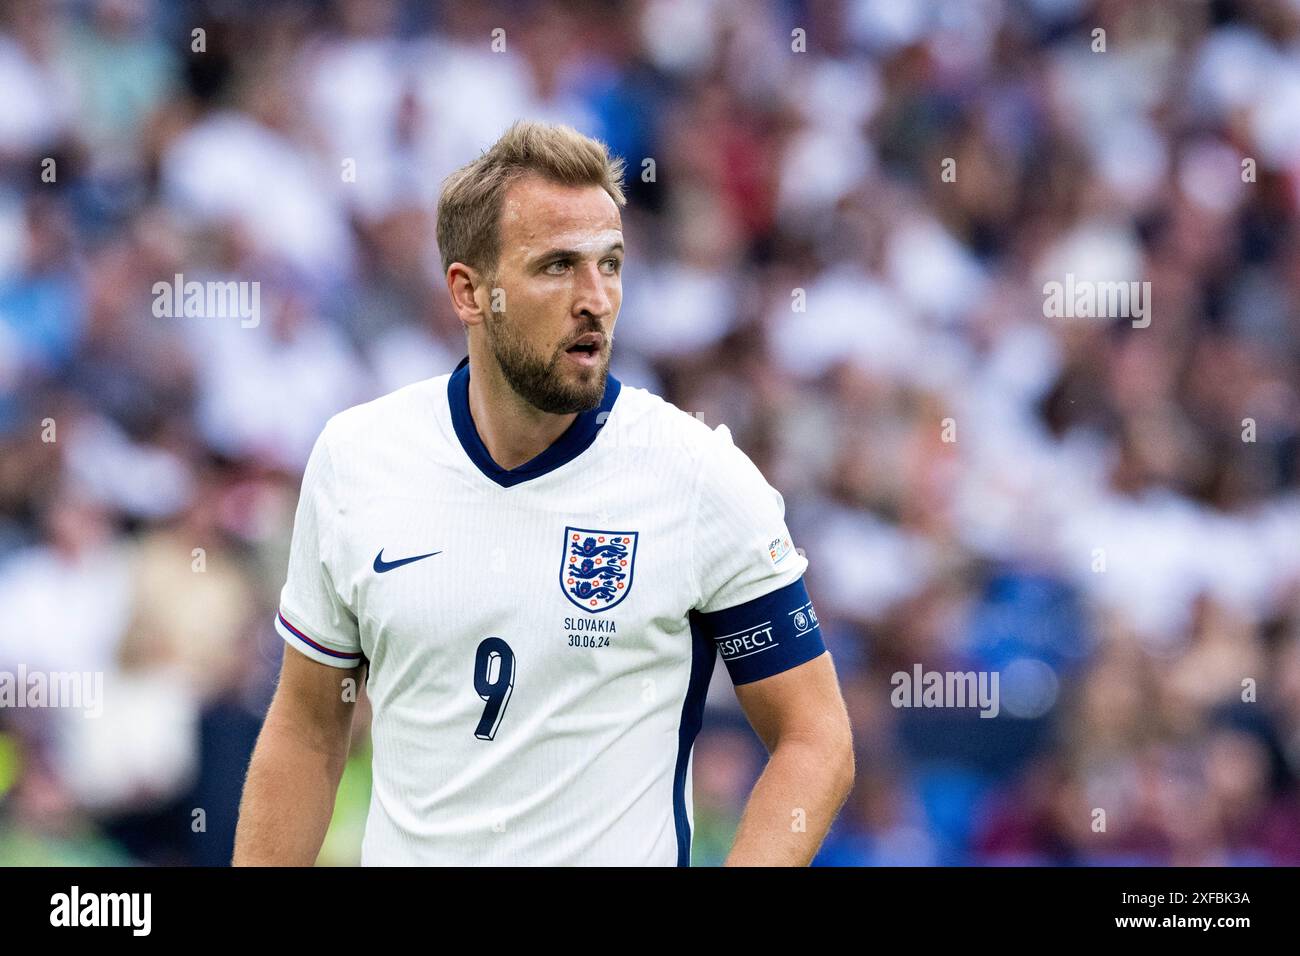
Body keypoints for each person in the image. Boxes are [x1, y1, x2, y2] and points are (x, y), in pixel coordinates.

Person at [233, 120, 854, 866]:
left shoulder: (698, 478)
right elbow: (307, 729)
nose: (596, 298)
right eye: (557, 267)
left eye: (611, 264)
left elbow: (816, 738)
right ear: (469, 292)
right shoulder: (357, 459)